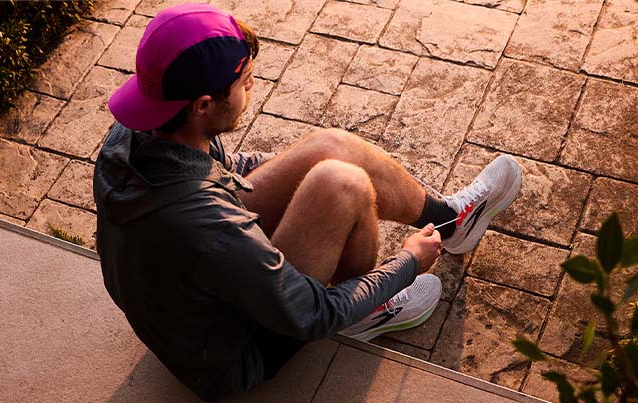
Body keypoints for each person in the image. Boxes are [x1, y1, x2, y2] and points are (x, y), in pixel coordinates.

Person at [93, 3, 522, 401]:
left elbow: (223, 170)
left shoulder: (139, 131)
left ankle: (451, 222)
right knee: (345, 185)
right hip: (232, 357)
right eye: (244, 81)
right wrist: (408, 262)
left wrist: (304, 162)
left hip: (192, 297)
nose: (253, 86)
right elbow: (314, 313)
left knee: (331, 149)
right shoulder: (206, 223)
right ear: (203, 105)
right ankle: (366, 313)